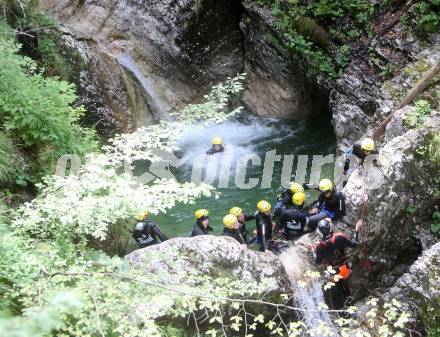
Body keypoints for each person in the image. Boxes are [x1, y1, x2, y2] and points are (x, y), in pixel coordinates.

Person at [313, 218, 363, 310]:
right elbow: (354, 244)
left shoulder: (319, 246)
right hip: (344, 269)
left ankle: (342, 311)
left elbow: (318, 262)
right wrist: (356, 229)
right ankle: (351, 306)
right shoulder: (339, 237)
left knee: (338, 293)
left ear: (320, 232)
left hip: (332, 273)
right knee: (346, 290)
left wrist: (313, 250)